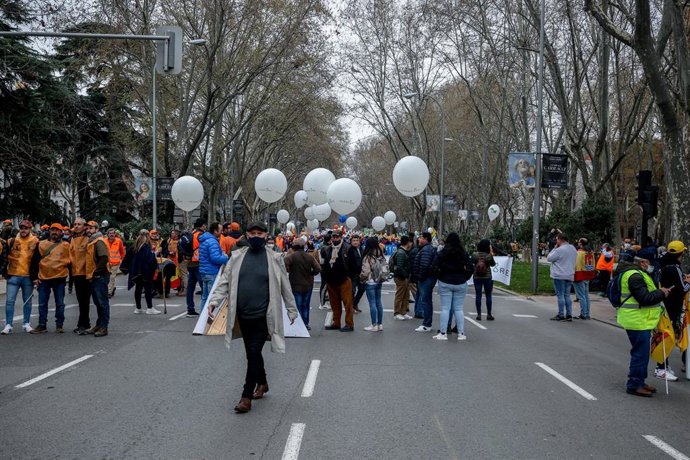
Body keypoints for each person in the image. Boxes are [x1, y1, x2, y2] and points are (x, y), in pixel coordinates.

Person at [207, 221, 298, 413]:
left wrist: (292, 309)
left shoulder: (275, 258)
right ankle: (263, 383)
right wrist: (214, 301)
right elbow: (225, 281)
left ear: (266, 236)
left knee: (254, 351)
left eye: (260, 233)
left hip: (264, 315)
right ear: (247, 236)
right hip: (243, 314)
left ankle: (246, 396)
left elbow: (285, 286)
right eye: (252, 233)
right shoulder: (237, 256)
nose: (256, 236)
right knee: (252, 353)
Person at [616, 253, 670, 397]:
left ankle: (640, 381)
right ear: (643, 262)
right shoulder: (634, 276)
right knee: (640, 354)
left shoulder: (637, 273)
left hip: (640, 320)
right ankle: (634, 384)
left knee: (642, 353)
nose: (651, 266)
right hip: (637, 321)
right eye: (649, 263)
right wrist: (661, 292)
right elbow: (645, 298)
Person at [655, 241, 690, 380]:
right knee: (668, 336)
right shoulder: (674, 268)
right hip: (672, 307)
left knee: (665, 335)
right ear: (680, 254)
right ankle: (661, 368)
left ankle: (663, 366)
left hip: (664, 305)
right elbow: (682, 290)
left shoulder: (663, 265)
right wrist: (688, 282)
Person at [29, 223, 70, 333]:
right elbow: (34, 261)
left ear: (61, 232)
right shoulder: (41, 244)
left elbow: (71, 262)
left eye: (57, 230)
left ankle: (59, 325)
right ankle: (42, 325)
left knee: (60, 303)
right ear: (49, 231)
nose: (54, 232)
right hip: (44, 277)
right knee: (42, 303)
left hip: (60, 277)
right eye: (53, 230)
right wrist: (34, 277)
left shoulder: (66, 245)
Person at [432, 233, 473, 341]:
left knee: (445, 308)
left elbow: (434, 266)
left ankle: (443, 333)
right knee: (458, 309)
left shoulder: (443, 252)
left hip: (445, 281)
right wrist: (465, 277)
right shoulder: (463, 253)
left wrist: (440, 276)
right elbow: (470, 268)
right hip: (460, 282)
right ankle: (461, 333)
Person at [1, 220, 38, 334]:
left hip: (28, 276)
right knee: (9, 301)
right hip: (13, 275)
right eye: (21, 227)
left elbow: (37, 260)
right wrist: (4, 271)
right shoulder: (11, 241)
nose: (23, 230)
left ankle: (26, 324)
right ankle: (8, 325)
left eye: (26, 228)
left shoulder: (36, 241)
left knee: (27, 301)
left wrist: (37, 276)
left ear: (30, 229)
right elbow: (4, 256)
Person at [321, 230, 354, 332]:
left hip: (344, 280)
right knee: (334, 304)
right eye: (333, 236)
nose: (335, 238)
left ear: (341, 237)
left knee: (348, 303)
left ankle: (349, 324)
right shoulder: (328, 249)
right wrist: (326, 278)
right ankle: (336, 323)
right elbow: (325, 263)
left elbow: (354, 264)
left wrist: (349, 277)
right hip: (331, 280)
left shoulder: (348, 248)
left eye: (337, 236)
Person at [81, 221, 111, 337]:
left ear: (97, 229)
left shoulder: (99, 241)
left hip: (100, 276)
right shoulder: (92, 241)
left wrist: (96, 273)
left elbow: (103, 258)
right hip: (95, 276)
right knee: (98, 303)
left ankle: (104, 327)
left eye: (91, 228)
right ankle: (99, 325)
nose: (88, 230)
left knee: (102, 302)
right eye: (87, 228)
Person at [284, 237, 320, 330]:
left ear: (294, 246)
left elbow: (283, 265)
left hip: (295, 283)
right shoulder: (309, 256)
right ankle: (306, 323)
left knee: (297, 304)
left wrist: (289, 270)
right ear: (304, 246)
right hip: (308, 283)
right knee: (306, 304)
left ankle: (298, 324)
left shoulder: (291, 256)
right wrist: (311, 273)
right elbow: (318, 268)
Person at [126, 230, 161, 315]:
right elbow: (149, 259)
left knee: (138, 288)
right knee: (148, 288)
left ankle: (138, 308)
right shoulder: (145, 246)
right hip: (145, 271)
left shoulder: (135, 245)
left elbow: (128, 257)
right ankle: (150, 308)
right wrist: (156, 253)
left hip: (136, 271)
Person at [198, 223, 229, 313]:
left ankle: (202, 317)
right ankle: (209, 316)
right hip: (212, 271)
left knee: (205, 297)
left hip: (204, 271)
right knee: (212, 297)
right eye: (220, 230)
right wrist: (225, 257)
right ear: (215, 231)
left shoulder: (204, 240)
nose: (222, 232)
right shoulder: (212, 242)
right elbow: (215, 258)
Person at [547, 233, 577, 322]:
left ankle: (561, 314)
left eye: (557, 239)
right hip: (570, 274)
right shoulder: (573, 248)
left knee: (560, 295)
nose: (556, 241)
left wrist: (554, 248)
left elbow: (549, 258)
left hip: (559, 275)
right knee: (567, 295)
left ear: (560, 240)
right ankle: (569, 314)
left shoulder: (559, 250)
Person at [69, 218, 92, 333]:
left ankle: (84, 324)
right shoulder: (72, 239)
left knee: (84, 301)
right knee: (80, 300)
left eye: (79, 224)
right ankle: (83, 323)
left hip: (86, 274)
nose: (76, 226)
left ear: (84, 226)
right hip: (76, 273)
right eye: (75, 224)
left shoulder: (88, 239)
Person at [413, 232, 437, 332]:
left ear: (426, 239)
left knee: (426, 301)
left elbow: (424, 265)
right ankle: (427, 323)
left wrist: (420, 277)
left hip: (426, 279)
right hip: (428, 278)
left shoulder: (426, 250)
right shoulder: (428, 249)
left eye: (421, 238)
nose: (419, 239)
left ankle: (427, 324)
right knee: (427, 301)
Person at [359, 236, 385, 331]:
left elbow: (365, 271)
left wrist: (361, 278)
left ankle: (374, 324)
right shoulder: (380, 254)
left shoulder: (367, 256)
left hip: (370, 281)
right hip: (379, 280)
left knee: (372, 303)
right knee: (379, 302)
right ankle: (380, 324)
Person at [184, 218, 206, 317]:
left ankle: (190, 309)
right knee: (203, 287)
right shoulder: (200, 235)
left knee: (190, 287)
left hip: (190, 263)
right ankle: (204, 309)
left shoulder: (191, 233)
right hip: (198, 263)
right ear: (203, 225)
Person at [473, 239, 496, 321]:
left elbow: (472, 263)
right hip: (487, 277)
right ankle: (489, 314)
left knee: (478, 295)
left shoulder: (475, 255)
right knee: (488, 295)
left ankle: (479, 314)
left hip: (477, 277)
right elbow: (493, 264)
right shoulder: (489, 256)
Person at [573, 238, 596, 320]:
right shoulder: (590, 252)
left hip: (580, 275)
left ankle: (583, 314)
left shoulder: (579, 253)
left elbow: (576, 264)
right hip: (588, 274)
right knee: (586, 296)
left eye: (579, 242)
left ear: (581, 244)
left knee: (581, 296)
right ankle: (587, 314)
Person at [392, 235, 413, 320]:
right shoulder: (401, 253)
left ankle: (403, 312)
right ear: (408, 243)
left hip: (404, 277)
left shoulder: (402, 252)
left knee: (406, 295)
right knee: (400, 295)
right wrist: (404, 276)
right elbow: (399, 267)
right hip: (401, 278)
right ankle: (397, 312)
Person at [105, 228, 125, 298]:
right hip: (106, 263)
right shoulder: (104, 241)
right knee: (107, 278)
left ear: (115, 234)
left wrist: (123, 260)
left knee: (112, 277)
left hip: (115, 263)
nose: (111, 234)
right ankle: (113, 288)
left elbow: (122, 251)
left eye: (113, 233)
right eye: (110, 233)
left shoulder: (119, 241)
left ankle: (109, 292)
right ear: (107, 234)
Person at [347, 234, 365, 313]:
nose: (355, 242)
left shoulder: (361, 249)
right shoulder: (349, 250)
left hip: (361, 274)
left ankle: (355, 304)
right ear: (351, 242)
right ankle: (351, 307)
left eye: (356, 240)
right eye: (353, 241)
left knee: (362, 289)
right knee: (352, 291)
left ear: (359, 242)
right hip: (352, 274)